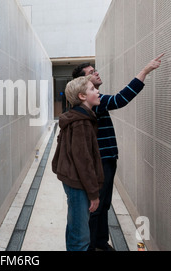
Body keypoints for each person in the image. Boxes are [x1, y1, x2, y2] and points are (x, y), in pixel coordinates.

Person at [72, 54, 164, 251]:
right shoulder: (93, 102)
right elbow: (120, 99)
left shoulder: (95, 99)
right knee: (97, 206)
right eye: (90, 73)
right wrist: (145, 71)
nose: (96, 72)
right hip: (101, 161)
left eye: (94, 69)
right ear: (82, 83)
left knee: (104, 204)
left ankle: (99, 242)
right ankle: (92, 245)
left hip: (107, 159)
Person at [51, 76, 104, 251]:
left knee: (75, 227)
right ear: (82, 96)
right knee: (80, 238)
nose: (97, 91)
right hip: (78, 182)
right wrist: (94, 193)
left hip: (74, 180)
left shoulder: (78, 117)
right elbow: (84, 161)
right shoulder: (81, 122)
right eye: (92, 89)